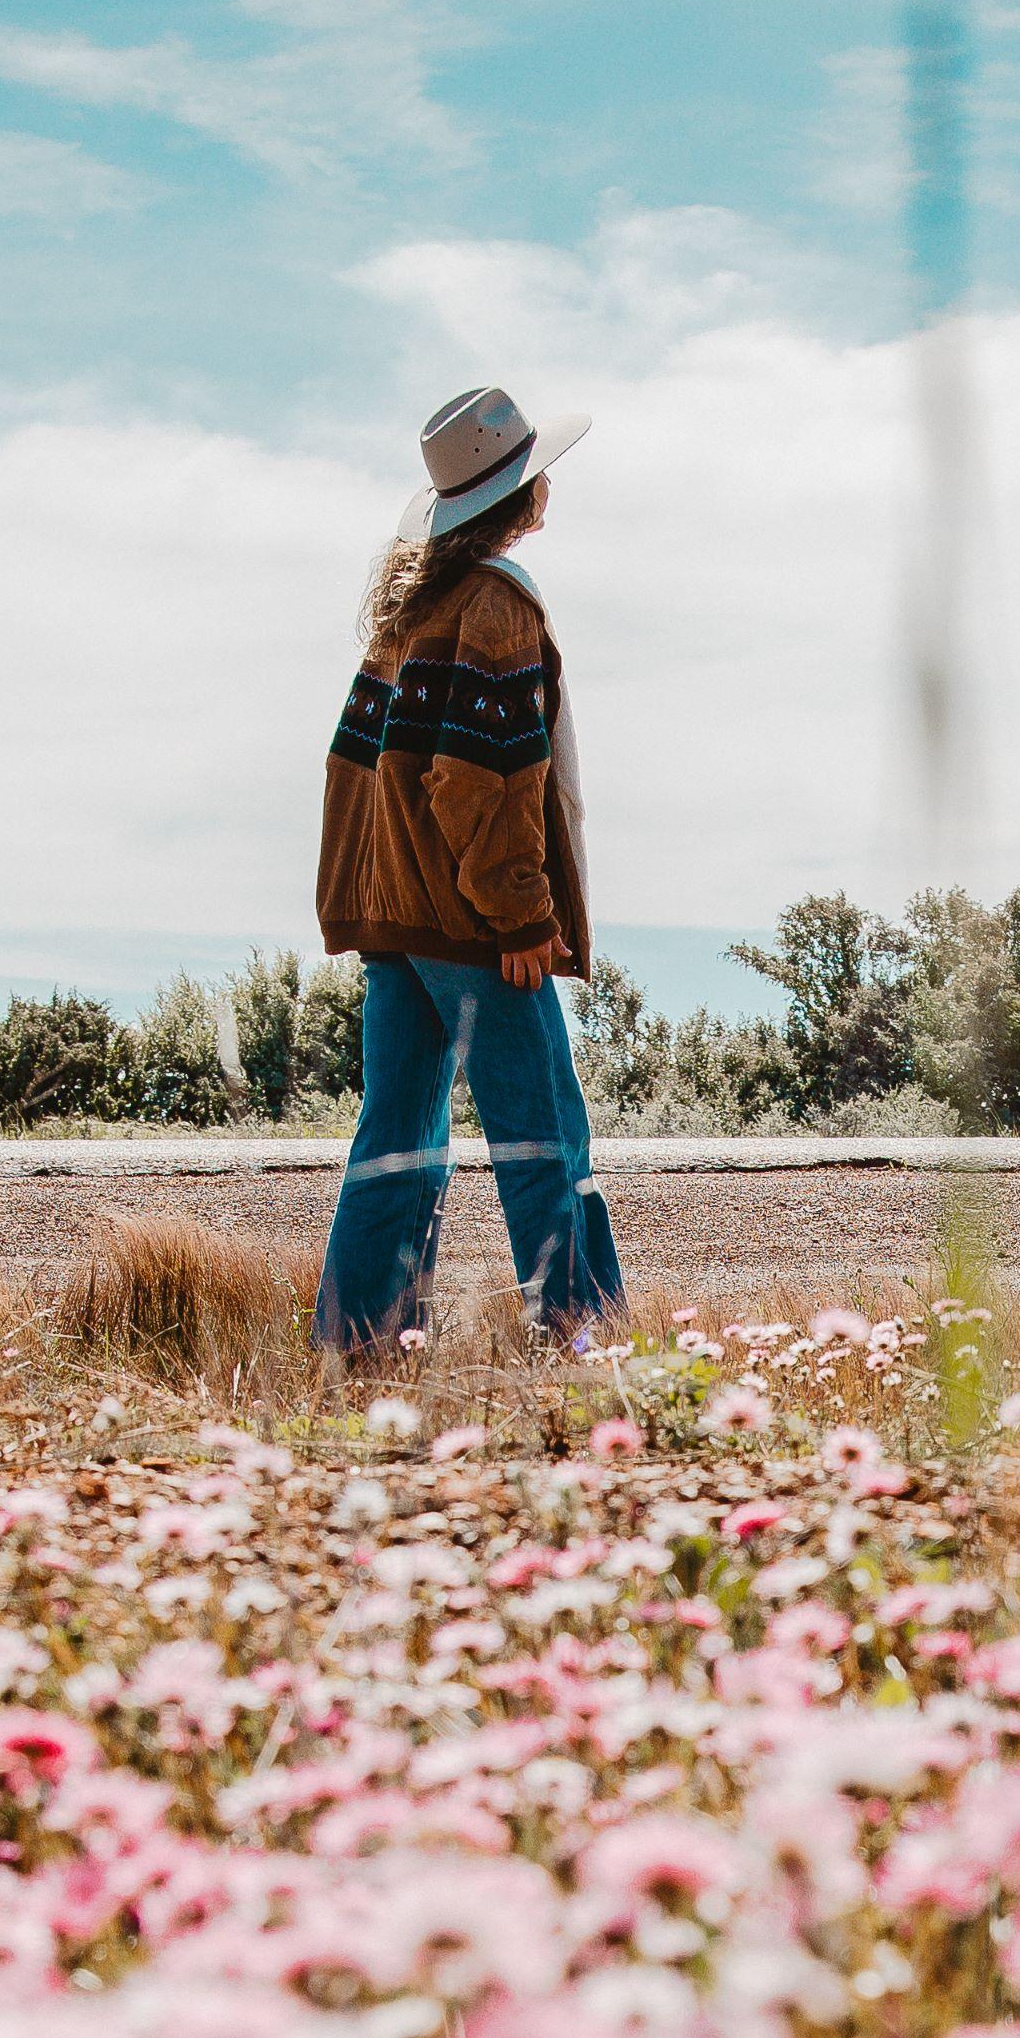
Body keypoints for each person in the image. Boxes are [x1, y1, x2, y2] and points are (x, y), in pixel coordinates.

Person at [310, 383, 627, 1357]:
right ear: (517, 501)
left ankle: (358, 1351)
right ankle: (583, 1352)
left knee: (396, 1146)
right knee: (546, 1139)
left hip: (392, 916)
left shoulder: (408, 611)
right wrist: (521, 918)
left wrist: (372, 906)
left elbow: (357, 773)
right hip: (471, 922)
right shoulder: (492, 609)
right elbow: (483, 782)